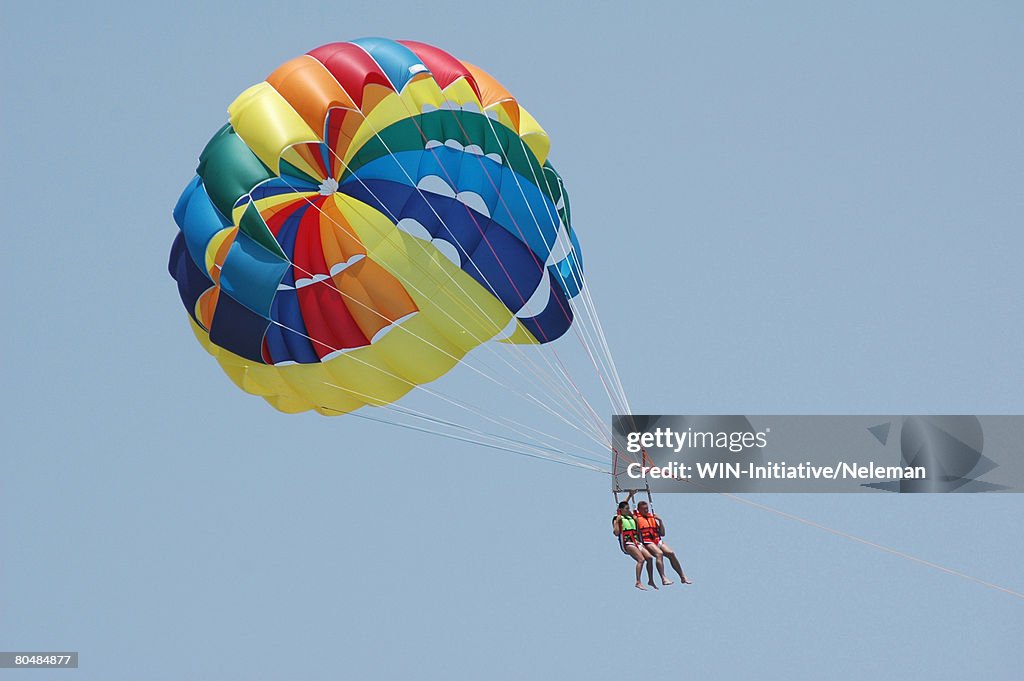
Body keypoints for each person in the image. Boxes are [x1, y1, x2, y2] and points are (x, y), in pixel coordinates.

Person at [635, 499, 692, 585]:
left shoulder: (652, 517)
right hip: (646, 541)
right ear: (639, 509)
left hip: (657, 539)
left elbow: (662, 533)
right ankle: (663, 578)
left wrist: (660, 521)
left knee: (671, 553)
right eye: (644, 509)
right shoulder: (636, 518)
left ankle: (682, 577)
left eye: (647, 508)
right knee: (659, 553)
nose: (646, 510)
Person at [612, 497, 657, 590]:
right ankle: (638, 582)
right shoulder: (617, 518)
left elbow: (637, 530)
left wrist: (636, 521)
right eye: (627, 509)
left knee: (649, 558)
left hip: (636, 541)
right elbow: (616, 533)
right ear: (621, 510)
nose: (629, 511)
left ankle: (651, 580)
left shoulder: (631, 517)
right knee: (641, 559)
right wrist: (617, 522)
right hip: (627, 542)